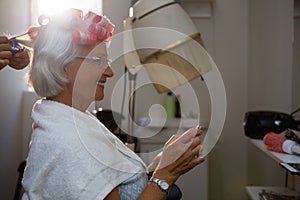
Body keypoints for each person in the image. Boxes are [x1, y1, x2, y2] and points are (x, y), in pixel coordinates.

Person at [22, 8, 205, 200]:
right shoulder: (69, 142)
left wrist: (159, 166)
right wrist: (166, 175)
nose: (109, 72)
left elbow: (121, 188)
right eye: (99, 60)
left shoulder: (75, 118)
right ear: (63, 66)